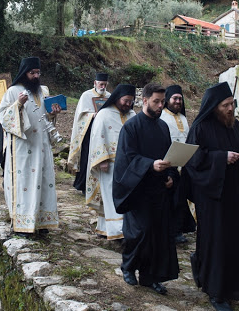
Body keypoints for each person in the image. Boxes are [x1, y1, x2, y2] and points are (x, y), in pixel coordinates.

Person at [183, 82, 239, 311]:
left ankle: (232, 283)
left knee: (234, 239)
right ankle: (215, 291)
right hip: (212, 196)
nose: (230, 109)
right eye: (225, 105)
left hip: (234, 193)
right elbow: (193, 160)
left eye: (232, 104)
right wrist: (221, 157)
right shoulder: (200, 127)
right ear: (214, 107)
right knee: (215, 241)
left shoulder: (235, 126)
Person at [113, 83, 179, 295]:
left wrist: (169, 176)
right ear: (144, 100)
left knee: (158, 235)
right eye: (156, 101)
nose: (160, 106)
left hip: (159, 188)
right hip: (138, 189)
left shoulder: (163, 127)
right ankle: (129, 267)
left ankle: (150, 277)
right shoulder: (131, 127)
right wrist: (150, 165)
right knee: (139, 233)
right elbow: (127, 159)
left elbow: (169, 157)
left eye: (162, 102)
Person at [0, 57, 62, 235]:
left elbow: (44, 118)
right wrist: (18, 104)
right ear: (24, 73)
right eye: (32, 73)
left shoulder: (41, 92)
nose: (35, 76)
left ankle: (41, 222)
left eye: (38, 73)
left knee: (43, 180)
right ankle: (23, 224)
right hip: (23, 147)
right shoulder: (13, 91)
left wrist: (52, 113)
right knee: (25, 183)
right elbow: (2, 117)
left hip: (42, 145)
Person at [85, 83, 136, 240]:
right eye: (126, 100)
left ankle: (105, 227)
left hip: (128, 164)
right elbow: (97, 136)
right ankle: (117, 231)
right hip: (109, 163)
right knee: (110, 195)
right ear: (117, 98)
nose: (128, 104)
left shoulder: (132, 115)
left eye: (131, 101)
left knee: (122, 196)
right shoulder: (104, 114)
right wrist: (102, 159)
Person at [160, 84, 196, 244]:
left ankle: (179, 230)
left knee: (181, 200)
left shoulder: (182, 118)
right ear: (167, 100)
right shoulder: (162, 117)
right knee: (170, 200)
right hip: (169, 165)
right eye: (175, 98)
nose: (178, 101)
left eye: (180, 99)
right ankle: (170, 231)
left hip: (184, 165)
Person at [68, 73, 111, 193]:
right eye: (101, 84)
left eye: (105, 84)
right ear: (95, 83)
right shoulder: (86, 95)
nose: (103, 87)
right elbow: (81, 115)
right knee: (87, 156)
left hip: (103, 131)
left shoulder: (109, 96)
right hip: (88, 130)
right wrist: (92, 115)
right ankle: (83, 185)